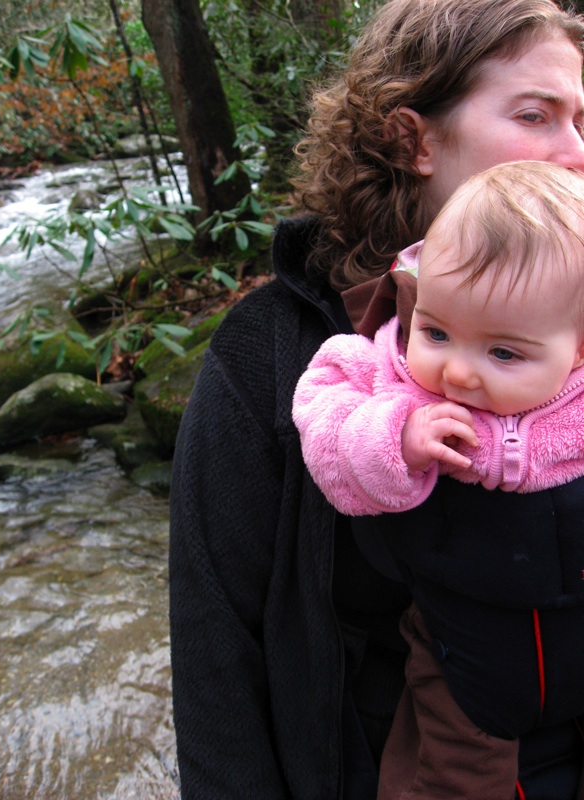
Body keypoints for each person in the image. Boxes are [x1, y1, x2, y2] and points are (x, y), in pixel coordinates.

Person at [168, 1, 584, 797]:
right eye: (537, 115)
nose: (575, 152)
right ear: (413, 139)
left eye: (581, 120)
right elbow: (215, 646)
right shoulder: (276, 354)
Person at [292, 160, 584, 800]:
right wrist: (394, 437)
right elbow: (323, 421)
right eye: (437, 331)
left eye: (503, 352)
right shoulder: (386, 371)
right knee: (451, 779)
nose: (457, 372)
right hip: (462, 653)